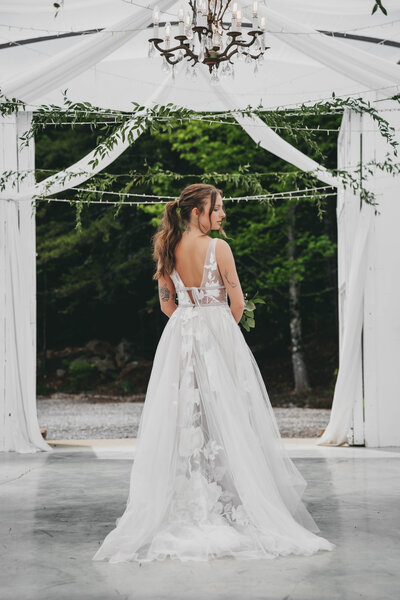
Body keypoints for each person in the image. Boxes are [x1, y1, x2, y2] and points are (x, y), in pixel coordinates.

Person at [92, 183, 335, 563]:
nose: (222, 214)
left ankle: (191, 496)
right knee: (229, 417)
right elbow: (236, 303)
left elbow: (167, 305)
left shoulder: (167, 249)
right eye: (216, 208)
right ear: (196, 213)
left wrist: (190, 325)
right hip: (215, 337)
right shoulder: (219, 248)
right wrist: (220, 333)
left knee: (187, 418)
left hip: (179, 339)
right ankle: (227, 499)